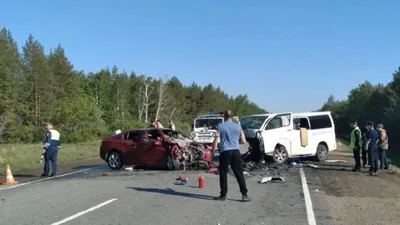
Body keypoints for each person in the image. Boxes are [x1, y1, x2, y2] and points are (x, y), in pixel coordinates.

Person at [212, 110, 251, 202]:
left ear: (224, 117)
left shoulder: (221, 126)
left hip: (225, 151)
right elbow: (244, 141)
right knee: (239, 173)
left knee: (223, 173)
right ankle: (244, 194)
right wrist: (236, 143)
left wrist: (213, 150)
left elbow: (216, 139)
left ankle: (223, 195)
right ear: (232, 117)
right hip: (236, 151)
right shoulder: (238, 126)